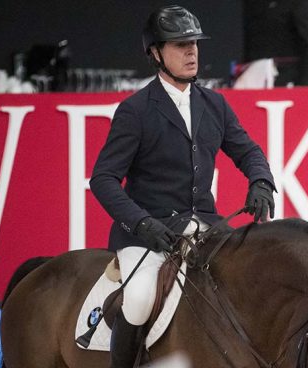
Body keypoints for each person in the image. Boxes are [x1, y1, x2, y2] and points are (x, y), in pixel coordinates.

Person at [89, 5, 276, 367]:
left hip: (205, 227)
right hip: (148, 235)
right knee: (141, 298)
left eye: (193, 43)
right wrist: (141, 223)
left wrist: (261, 181)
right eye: (179, 45)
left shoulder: (214, 104)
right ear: (156, 54)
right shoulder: (136, 110)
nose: (191, 51)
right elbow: (103, 179)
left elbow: (249, 151)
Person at [243, 0, 308, 86]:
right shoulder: (253, 4)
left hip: (286, 79)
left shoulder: (297, 4)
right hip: (254, 77)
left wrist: (302, 85)